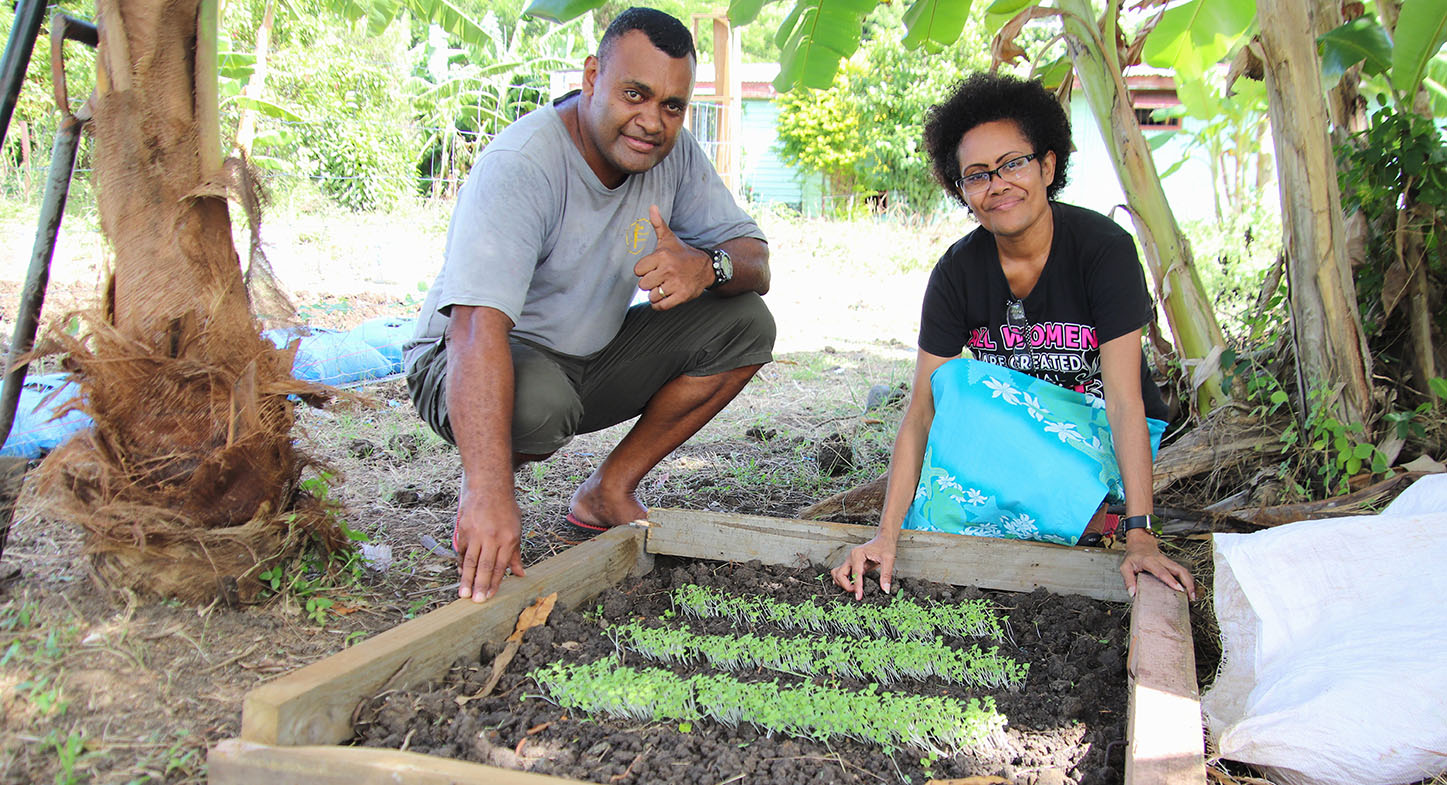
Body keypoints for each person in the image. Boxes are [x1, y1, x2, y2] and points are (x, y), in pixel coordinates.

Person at [405, 8, 774, 603]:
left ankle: (606, 491)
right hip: (463, 359)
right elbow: (474, 331)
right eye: (635, 94)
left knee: (746, 325)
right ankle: (490, 494)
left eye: (672, 106)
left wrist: (707, 266)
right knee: (540, 406)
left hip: (586, 356)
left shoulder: (671, 154)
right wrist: (488, 492)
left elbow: (755, 259)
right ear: (591, 77)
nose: (652, 121)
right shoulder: (523, 165)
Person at [831, 72, 1196, 602]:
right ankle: (1072, 523)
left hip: (1099, 446)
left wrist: (1141, 532)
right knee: (934, 488)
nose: (997, 184)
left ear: (1048, 165)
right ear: (962, 191)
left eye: (1014, 163)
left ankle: (1106, 519)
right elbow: (921, 413)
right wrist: (887, 535)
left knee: (964, 395)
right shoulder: (956, 272)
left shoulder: (1104, 250)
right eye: (977, 175)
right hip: (1007, 445)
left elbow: (1123, 400)